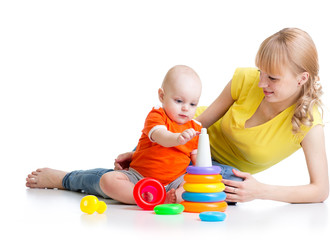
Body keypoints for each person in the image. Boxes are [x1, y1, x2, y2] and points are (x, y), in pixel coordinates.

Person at [115, 28, 329, 204]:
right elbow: (200, 123)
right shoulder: (246, 79)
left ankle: (154, 192)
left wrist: (260, 191)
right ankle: (91, 179)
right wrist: (146, 151)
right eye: (260, 72)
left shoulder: (309, 123)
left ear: (302, 78)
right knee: (106, 179)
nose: (261, 83)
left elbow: (320, 190)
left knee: (228, 185)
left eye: (272, 78)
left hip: (219, 169)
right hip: (180, 140)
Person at [26, 65, 203, 204]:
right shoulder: (157, 116)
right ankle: (142, 197)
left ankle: (166, 197)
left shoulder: (195, 127)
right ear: (162, 96)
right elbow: (160, 136)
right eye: (179, 101)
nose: (186, 108)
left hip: (174, 181)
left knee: (189, 189)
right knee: (108, 180)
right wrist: (177, 138)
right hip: (139, 177)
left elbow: (198, 163)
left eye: (193, 104)